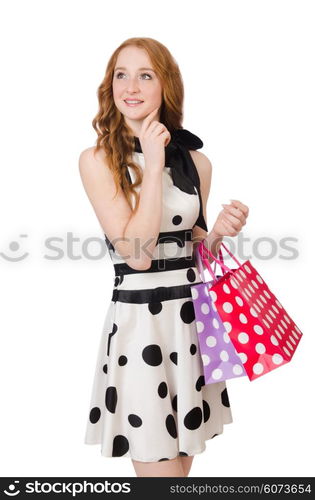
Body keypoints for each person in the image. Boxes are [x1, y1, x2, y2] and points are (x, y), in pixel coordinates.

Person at [79, 37, 249, 478]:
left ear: (165, 86)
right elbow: (136, 254)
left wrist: (218, 234)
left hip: (191, 326)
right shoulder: (97, 160)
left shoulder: (196, 162)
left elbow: (189, 248)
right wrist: (152, 166)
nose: (130, 86)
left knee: (178, 478)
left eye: (145, 75)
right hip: (141, 332)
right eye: (121, 74)